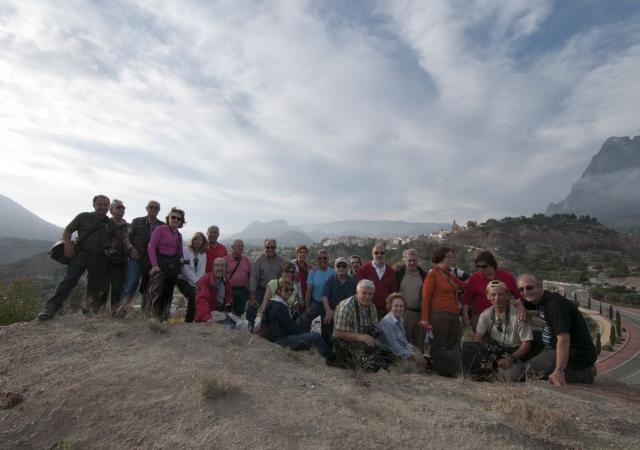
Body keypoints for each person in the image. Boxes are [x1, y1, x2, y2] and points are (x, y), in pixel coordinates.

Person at [38, 195, 116, 320]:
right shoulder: (83, 217)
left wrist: (110, 248)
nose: (103, 207)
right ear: (94, 205)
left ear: (108, 207)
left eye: (105, 205)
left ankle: (88, 309)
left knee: (94, 286)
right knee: (69, 281)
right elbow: (68, 230)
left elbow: (114, 238)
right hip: (80, 255)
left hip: (99, 258)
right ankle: (51, 308)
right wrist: (68, 243)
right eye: (100, 204)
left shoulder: (110, 223)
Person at [517, 274, 597, 386]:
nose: (525, 292)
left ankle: (582, 373)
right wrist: (520, 306)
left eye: (529, 288)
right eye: (521, 289)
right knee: (531, 337)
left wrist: (559, 370)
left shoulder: (554, 305)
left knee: (523, 372)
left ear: (540, 286)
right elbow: (519, 301)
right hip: (552, 348)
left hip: (575, 354)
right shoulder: (539, 300)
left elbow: (563, 339)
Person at [473, 281, 533, 381]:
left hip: (514, 352)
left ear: (507, 295)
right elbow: (477, 337)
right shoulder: (485, 314)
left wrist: (511, 359)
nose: (497, 298)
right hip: (494, 351)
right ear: (488, 296)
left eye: (501, 294)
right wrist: (481, 353)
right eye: (493, 294)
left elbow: (526, 344)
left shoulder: (519, 314)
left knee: (508, 376)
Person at [264, 280, 336, 362]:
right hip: (281, 340)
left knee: (308, 333)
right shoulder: (278, 307)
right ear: (279, 291)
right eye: (286, 290)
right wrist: (305, 334)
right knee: (315, 336)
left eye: (291, 290)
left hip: (281, 336)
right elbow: (291, 326)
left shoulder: (277, 303)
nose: (289, 292)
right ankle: (332, 358)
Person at [332, 280, 393, 371]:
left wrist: (375, 334)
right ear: (357, 292)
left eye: (370, 294)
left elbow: (375, 328)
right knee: (373, 366)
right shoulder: (346, 307)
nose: (367, 297)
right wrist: (362, 337)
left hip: (365, 343)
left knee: (390, 357)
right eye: (364, 293)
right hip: (345, 344)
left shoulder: (372, 307)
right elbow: (337, 333)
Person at [116, 200, 163, 315]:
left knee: (148, 287)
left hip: (152, 261)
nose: (153, 209)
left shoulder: (162, 225)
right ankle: (122, 311)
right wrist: (131, 248)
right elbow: (126, 237)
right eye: (151, 207)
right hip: (136, 258)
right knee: (131, 284)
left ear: (159, 210)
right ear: (146, 208)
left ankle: (145, 314)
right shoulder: (137, 221)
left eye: (156, 208)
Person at [419, 247, 467, 354]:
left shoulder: (449, 274)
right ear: (440, 258)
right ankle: (436, 364)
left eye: (452, 257)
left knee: (453, 345)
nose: (451, 259)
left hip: (454, 315)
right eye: (448, 257)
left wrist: (477, 276)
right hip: (439, 316)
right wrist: (424, 319)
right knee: (439, 346)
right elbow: (425, 299)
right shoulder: (432, 275)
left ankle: (451, 363)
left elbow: (463, 285)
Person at [463, 251, 522, 331]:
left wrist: (520, 307)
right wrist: (465, 314)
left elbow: (518, 296)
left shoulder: (507, 277)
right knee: (481, 338)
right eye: (478, 266)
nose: (481, 269)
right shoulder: (474, 278)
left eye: (484, 266)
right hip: (480, 316)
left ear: (492, 264)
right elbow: (467, 297)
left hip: (502, 317)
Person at [147, 207, 185, 321]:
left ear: (181, 222)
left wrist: (181, 265)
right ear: (168, 218)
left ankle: (164, 318)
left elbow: (180, 252)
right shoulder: (160, 229)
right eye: (173, 217)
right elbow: (151, 247)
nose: (175, 220)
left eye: (179, 219)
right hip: (160, 265)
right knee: (157, 292)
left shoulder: (179, 234)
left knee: (169, 292)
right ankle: (154, 319)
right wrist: (154, 265)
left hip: (172, 267)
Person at [377, 293, 427, 366]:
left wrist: (415, 350)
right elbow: (395, 347)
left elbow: (403, 342)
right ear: (390, 307)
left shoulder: (400, 320)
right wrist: (413, 356)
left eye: (401, 306)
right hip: (387, 356)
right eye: (396, 306)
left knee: (420, 355)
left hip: (397, 354)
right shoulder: (386, 322)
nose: (399, 309)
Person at [247, 239, 285, 331]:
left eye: (272, 247)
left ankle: (269, 328)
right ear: (264, 248)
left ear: (276, 248)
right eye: (268, 247)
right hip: (262, 288)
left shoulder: (281, 260)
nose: (270, 249)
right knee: (252, 306)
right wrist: (252, 295)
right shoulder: (259, 260)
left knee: (273, 309)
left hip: (275, 290)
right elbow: (254, 277)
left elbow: (283, 276)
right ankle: (250, 325)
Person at [395, 249, 427, 351]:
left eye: (414, 260)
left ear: (418, 261)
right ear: (404, 261)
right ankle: (404, 362)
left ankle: (419, 361)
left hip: (420, 315)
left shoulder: (424, 276)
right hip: (403, 314)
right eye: (409, 260)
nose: (412, 263)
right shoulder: (398, 275)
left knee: (419, 346)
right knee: (403, 344)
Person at [99, 199, 128, 313]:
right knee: (103, 289)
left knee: (118, 290)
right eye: (118, 207)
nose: (121, 209)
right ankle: (99, 313)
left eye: (123, 208)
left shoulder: (129, 226)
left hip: (122, 263)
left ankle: (115, 314)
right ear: (111, 210)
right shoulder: (104, 224)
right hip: (105, 262)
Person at [321, 257, 357, 345]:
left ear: (347, 268)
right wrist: (328, 311)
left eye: (344, 266)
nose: (341, 268)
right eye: (338, 266)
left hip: (345, 310)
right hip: (330, 310)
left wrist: (336, 312)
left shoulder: (351, 281)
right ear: (335, 268)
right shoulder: (330, 279)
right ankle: (327, 347)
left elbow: (349, 300)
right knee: (326, 321)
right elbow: (325, 296)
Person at [356, 243, 397, 317]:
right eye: (376, 253)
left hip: (385, 312)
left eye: (382, 253)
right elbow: (358, 292)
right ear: (372, 254)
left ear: (385, 254)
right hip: (367, 311)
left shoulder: (391, 272)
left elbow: (393, 293)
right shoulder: (363, 270)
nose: (379, 255)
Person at [177, 232, 208, 323]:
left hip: (197, 282)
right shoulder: (185, 250)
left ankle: (195, 320)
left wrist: (199, 283)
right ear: (192, 240)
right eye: (196, 239)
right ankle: (188, 321)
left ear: (203, 242)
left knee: (197, 298)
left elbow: (202, 270)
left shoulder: (203, 254)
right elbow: (184, 268)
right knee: (192, 297)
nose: (198, 241)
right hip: (183, 280)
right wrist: (196, 281)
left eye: (200, 240)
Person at [303, 249, 335, 330]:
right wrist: (307, 306)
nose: (322, 260)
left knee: (327, 325)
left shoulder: (333, 272)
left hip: (329, 303)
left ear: (328, 258)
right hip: (316, 302)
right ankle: (307, 336)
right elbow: (308, 290)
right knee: (305, 319)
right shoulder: (312, 272)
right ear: (317, 259)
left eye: (324, 258)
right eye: (320, 258)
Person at [194, 257, 233, 322]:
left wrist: (227, 309)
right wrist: (207, 317)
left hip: (220, 315)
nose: (220, 268)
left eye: (222, 266)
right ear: (213, 267)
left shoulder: (227, 281)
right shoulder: (204, 280)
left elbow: (228, 298)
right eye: (217, 265)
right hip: (206, 317)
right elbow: (202, 300)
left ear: (226, 268)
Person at [224, 239, 252, 317]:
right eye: (238, 246)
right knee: (226, 312)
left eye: (242, 246)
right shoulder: (225, 259)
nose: (240, 248)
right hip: (228, 290)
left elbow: (251, 276)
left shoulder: (247, 260)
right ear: (232, 247)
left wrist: (250, 291)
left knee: (239, 313)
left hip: (242, 291)